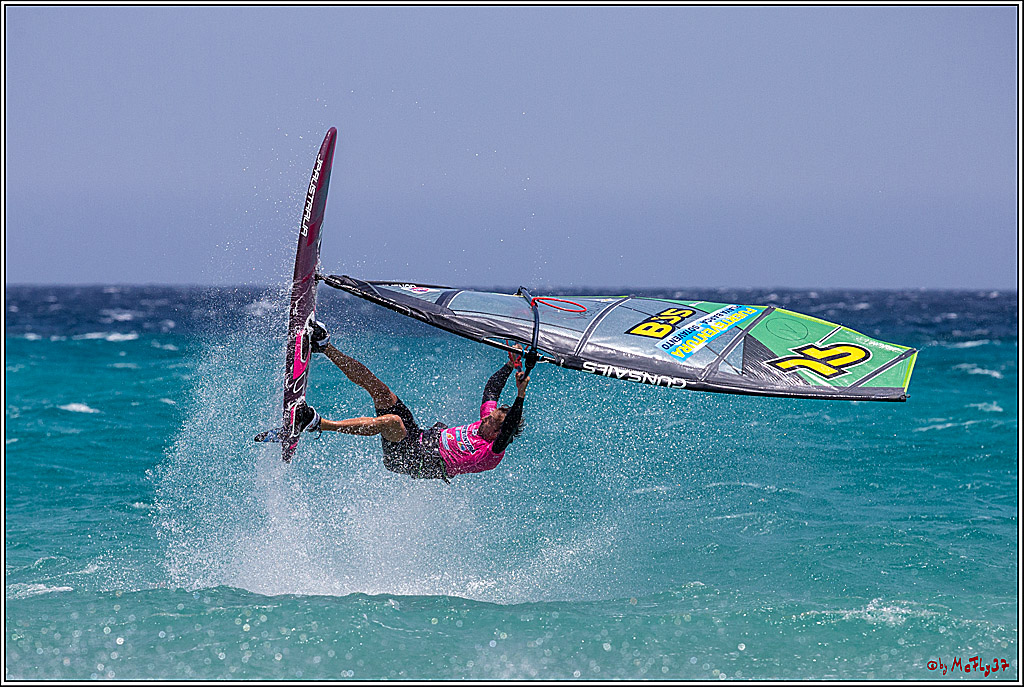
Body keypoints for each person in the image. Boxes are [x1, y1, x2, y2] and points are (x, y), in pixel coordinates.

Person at [291, 321, 529, 482]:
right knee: (382, 391)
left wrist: (520, 394)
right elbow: (491, 390)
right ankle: (325, 347)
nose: (484, 419)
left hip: (413, 461)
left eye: (491, 421)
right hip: (418, 437)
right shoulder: (489, 422)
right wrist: (509, 365)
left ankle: (316, 423)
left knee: (392, 422)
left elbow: (508, 429)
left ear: (499, 434)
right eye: (489, 415)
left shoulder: (491, 452)